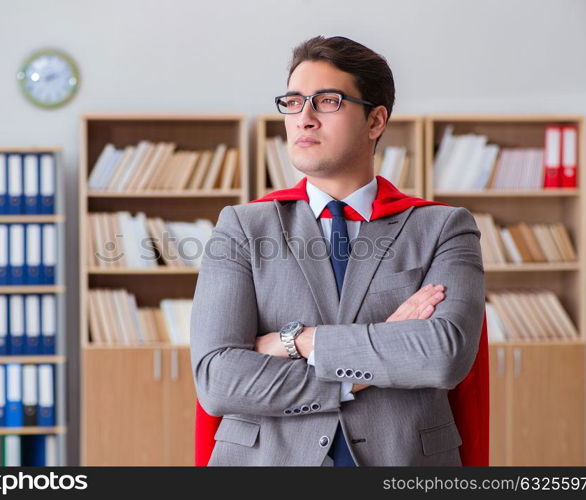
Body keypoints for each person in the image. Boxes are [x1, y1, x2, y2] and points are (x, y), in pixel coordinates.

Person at [190, 35, 486, 466]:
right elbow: (218, 380)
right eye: (292, 102)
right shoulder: (243, 227)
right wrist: (361, 372)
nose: (303, 118)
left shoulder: (442, 227)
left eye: (327, 101)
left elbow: (443, 355)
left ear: (375, 121)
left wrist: (295, 341)